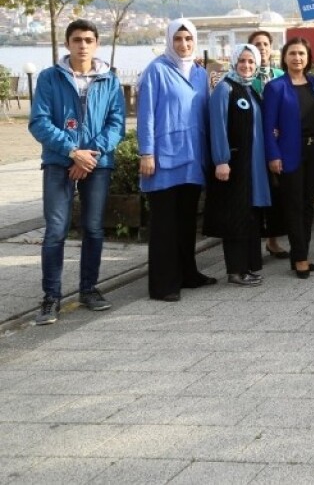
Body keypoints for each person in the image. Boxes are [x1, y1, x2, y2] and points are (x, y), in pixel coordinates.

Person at [29, 19, 126, 325]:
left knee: (94, 228)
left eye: (88, 39)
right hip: (59, 162)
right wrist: (72, 152)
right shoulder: (49, 78)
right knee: (56, 230)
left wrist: (90, 155)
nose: (82, 45)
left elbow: (116, 124)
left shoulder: (109, 80)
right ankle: (51, 297)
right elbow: (39, 122)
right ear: (67, 43)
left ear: (96, 43)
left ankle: (89, 289)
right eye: (76, 39)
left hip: (97, 164)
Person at [138, 19, 217, 301]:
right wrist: (146, 153)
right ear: (170, 41)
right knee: (164, 226)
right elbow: (145, 115)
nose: (184, 44)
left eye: (189, 39)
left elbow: (206, 115)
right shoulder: (156, 71)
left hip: (193, 159)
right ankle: (163, 285)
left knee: (186, 222)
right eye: (178, 39)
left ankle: (188, 274)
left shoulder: (198, 73)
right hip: (163, 160)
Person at [264, 37, 314, 279]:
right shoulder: (275, 87)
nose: (297, 58)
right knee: (293, 206)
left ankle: (301, 253)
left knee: (307, 205)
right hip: (289, 153)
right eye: (292, 53)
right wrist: (273, 154)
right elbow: (268, 125)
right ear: (284, 57)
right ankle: (300, 258)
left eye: (301, 54)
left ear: (308, 57)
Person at [205, 44, 273, 286]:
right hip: (233, 165)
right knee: (235, 216)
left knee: (249, 215)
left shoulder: (250, 90)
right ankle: (235, 270)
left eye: (251, 62)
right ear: (234, 63)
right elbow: (218, 126)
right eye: (242, 61)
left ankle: (248, 266)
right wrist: (221, 160)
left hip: (252, 167)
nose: (246, 66)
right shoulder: (225, 88)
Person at [248, 29, 288, 260]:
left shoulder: (280, 74)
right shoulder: (245, 75)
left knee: (277, 191)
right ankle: (255, 239)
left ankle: (274, 240)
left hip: (278, 141)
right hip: (254, 141)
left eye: (265, 44)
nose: (262, 48)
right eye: (257, 44)